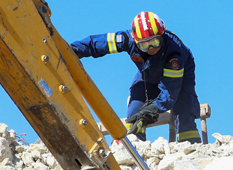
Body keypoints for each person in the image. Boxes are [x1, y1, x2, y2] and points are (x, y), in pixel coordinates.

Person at [70, 12, 201, 143]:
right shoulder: (127, 39)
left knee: (184, 109)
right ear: (136, 40)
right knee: (135, 111)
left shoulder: (175, 53)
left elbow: (170, 93)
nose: (150, 48)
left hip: (179, 77)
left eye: (155, 42)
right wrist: (74, 50)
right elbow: (98, 43)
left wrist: (153, 109)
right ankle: (134, 145)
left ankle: (191, 147)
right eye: (144, 45)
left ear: (163, 35)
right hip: (147, 73)